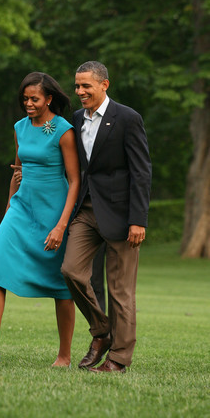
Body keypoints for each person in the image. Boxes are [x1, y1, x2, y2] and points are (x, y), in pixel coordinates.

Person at [0, 72, 80, 367]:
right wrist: (7, 211)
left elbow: (75, 180)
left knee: (61, 284)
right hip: (20, 208)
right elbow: (18, 170)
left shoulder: (63, 130)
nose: (28, 104)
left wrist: (61, 225)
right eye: (24, 99)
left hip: (54, 211)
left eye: (34, 99)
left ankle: (64, 356)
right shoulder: (19, 127)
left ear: (49, 99)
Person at [61, 61, 152, 373]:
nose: (80, 91)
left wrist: (138, 219)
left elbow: (141, 172)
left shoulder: (127, 118)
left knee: (120, 292)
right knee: (71, 271)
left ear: (104, 85)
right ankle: (102, 332)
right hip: (86, 211)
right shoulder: (75, 119)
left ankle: (118, 359)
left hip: (122, 216)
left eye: (86, 86)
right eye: (77, 86)